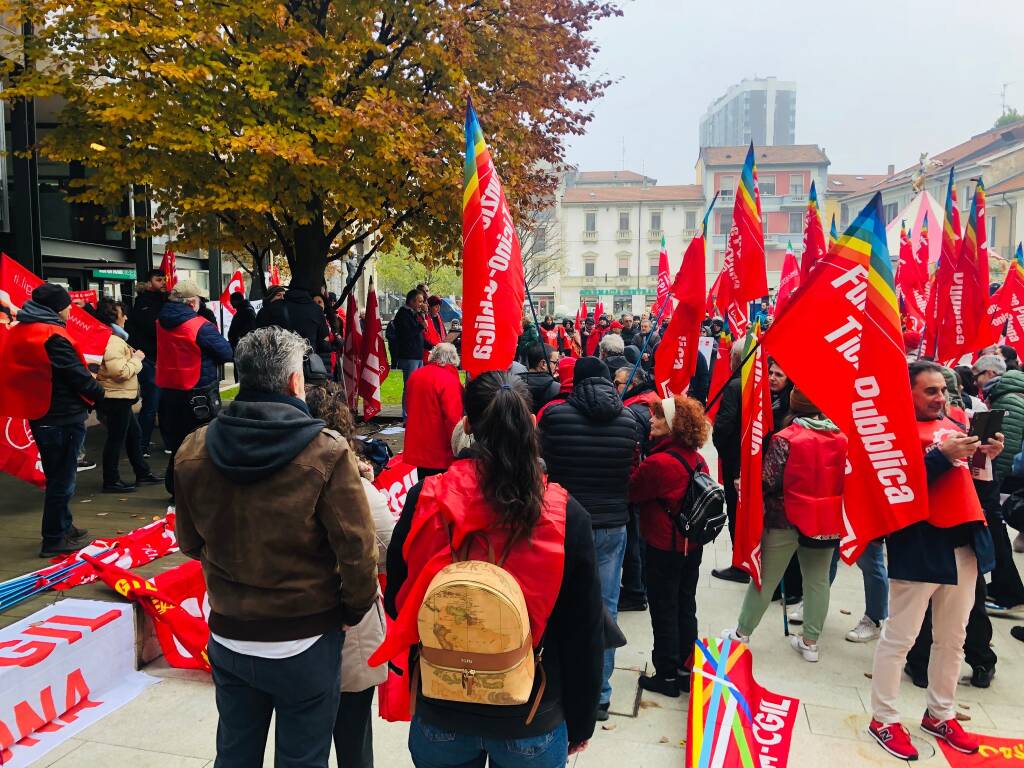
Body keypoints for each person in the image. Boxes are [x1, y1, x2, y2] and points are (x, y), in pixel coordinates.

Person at [373, 371, 604, 766]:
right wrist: (581, 722)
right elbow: (583, 634)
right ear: (530, 424)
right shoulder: (566, 515)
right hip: (530, 712)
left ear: (466, 425)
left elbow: (398, 597)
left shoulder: (425, 500)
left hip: (441, 706)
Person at [173, 326, 378, 768]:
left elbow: (188, 542)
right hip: (306, 637)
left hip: (231, 631)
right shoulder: (327, 451)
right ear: (293, 382)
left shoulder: (193, 448)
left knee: (233, 753)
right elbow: (359, 553)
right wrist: (350, 611)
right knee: (303, 759)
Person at [867, 361, 1002, 761]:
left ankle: (940, 712)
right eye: (930, 391)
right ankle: (884, 718)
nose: (940, 397)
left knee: (953, 638)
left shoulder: (955, 422)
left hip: (964, 542)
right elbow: (894, 488)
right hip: (920, 543)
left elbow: (977, 486)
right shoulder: (890, 433)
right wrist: (940, 456)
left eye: (943, 390)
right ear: (906, 392)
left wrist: (985, 457)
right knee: (900, 638)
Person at [539, 356, 644, 721]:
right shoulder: (630, 420)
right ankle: (600, 692)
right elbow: (633, 469)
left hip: (564, 522)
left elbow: (544, 464)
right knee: (606, 607)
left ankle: (558, 682)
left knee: (556, 602)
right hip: (612, 525)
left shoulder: (554, 418)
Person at [304, 380, 393, 768]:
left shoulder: (272, 477)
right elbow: (388, 550)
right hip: (344, 630)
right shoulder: (356, 490)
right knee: (352, 741)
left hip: (291, 631)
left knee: (304, 740)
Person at [723, 388, 848, 663]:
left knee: (765, 578)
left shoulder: (786, 438)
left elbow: (769, 479)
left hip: (785, 516)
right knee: (817, 581)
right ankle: (811, 642)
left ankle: (742, 633)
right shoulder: (840, 438)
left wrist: (746, 484)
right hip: (825, 518)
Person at [0, 284, 104, 556]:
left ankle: (63, 526)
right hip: (62, 414)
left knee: (57, 475)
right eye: (67, 305)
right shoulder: (52, 335)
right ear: (57, 308)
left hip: (40, 412)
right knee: (62, 480)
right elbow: (75, 375)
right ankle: (54, 538)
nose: (71, 309)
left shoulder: (22, 329)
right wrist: (99, 391)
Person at [629, 395, 710, 696]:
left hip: (664, 546)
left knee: (663, 608)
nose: (652, 420)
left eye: (660, 417)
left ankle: (665, 674)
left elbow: (632, 490)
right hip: (692, 546)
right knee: (685, 605)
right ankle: (686, 668)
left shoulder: (660, 463)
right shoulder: (698, 459)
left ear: (674, 425)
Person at [156, 279, 234, 498]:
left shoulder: (160, 322)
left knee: (178, 441)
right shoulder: (198, 325)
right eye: (200, 300)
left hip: (169, 388)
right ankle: (199, 490)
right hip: (198, 389)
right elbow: (226, 352)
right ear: (191, 303)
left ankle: (174, 486)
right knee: (201, 441)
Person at [94, 299, 161, 493]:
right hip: (116, 397)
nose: (126, 317)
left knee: (133, 434)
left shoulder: (113, 338)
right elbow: (120, 372)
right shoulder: (113, 341)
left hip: (118, 396)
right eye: (123, 314)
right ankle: (111, 480)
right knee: (117, 438)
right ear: (116, 317)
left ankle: (142, 472)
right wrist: (136, 360)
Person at [975, 362, 1024, 612]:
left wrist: (993, 476)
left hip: (995, 478)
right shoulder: (1012, 397)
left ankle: (1010, 592)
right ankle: (1005, 589)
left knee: (996, 532)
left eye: (979, 374)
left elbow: (1007, 447)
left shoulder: (1009, 402)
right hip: (995, 478)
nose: (978, 380)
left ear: (991, 373)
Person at [711, 341, 750, 583]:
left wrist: (725, 454)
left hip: (737, 460)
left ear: (735, 359)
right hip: (756, 459)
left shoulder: (735, 386)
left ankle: (740, 564)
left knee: (737, 511)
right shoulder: (762, 382)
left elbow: (723, 427)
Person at [403, 343, 464, 478]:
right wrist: (458, 446)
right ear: (453, 359)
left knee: (422, 485)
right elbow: (453, 417)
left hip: (418, 442)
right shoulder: (448, 379)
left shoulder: (416, 375)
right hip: (439, 447)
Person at [125, 268, 167, 455]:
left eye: (164, 279)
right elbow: (152, 327)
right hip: (149, 358)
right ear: (149, 283)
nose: (163, 283)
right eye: (159, 280)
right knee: (152, 402)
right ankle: (141, 445)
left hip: (158, 357)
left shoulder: (162, 301)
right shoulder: (143, 304)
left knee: (161, 402)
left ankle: (159, 443)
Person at [255, 285, 332, 371]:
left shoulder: (289, 312)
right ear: (269, 297)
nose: (282, 298)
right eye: (278, 295)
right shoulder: (265, 314)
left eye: (283, 295)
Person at [389, 289, 429, 419]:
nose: (421, 304)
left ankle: (416, 412)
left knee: (418, 386)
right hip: (408, 356)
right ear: (412, 301)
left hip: (417, 355)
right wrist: (421, 325)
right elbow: (408, 334)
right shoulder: (403, 314)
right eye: (419, 301)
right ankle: (407, 415)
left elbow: (420, 335)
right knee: (410, 386)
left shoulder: (414, 314)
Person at [519, 343, 561, 414]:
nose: (557, 367)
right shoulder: (557, 388)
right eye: (555, 363)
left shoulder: (515, 384)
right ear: (544, 364)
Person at [422, 296, 446, 362]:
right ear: (429, 307)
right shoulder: (425, 319)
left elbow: (443, 332)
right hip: (428, 353)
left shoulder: (438, 317)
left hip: (439, 351)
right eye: (436, 307)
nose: (438, 309)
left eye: (439, 306)